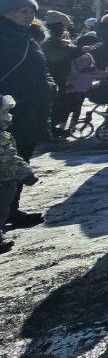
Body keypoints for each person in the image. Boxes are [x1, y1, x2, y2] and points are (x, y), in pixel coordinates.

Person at [0, 0, 55, 230]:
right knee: (6, 164)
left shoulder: (29, 36)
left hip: (31, 109)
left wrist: (50, 86)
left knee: (20, 160)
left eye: (31, 11)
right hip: (9, 110)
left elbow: (39, 68)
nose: (28, 15)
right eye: (21, 11)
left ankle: (11, 209)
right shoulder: (6, 37)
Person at [0, 95, 39, 254]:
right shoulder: (1, 137)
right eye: (4, 112)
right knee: (2, 209)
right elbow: (8, 159)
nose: (8, 116)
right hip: (3, 181)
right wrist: (26, 174)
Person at [41, 11, 76, 138]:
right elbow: (54, 57)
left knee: (60, 101)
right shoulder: (49, 38)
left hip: (58, 74)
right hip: (53, 75)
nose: (65, 29)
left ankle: (53, 127)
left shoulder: (54, 37)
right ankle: (49, 129)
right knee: (56, 102)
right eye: (64, 26)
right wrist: (67, 48)